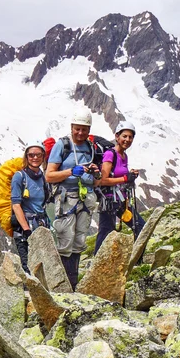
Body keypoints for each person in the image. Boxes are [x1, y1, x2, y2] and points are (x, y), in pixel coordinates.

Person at [45, 109, 101, 287]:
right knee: (65, 238)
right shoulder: (63, 145)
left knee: (79, 239)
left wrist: (96, 174)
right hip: (66, 198)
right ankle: (61, 283)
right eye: (77, 129)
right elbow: (49, 176)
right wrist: (71, 171)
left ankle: (73, 282)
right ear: (72, 127)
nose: (80, 133)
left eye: (84, 129)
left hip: (86, 197)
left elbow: (97, 182)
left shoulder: (91, 147)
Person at [93, 121, 144, 254]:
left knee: (140, 226)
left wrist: (130, 175)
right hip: (109, 201)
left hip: (121, 201)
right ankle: (96, 266)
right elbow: (102, 180)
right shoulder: (110, 154)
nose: (127, 140)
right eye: (124, 136)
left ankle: (136, 260)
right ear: (117, 137)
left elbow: (120, 175)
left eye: (130, 137)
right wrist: (125, 178)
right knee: (105, 233)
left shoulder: (124, 155)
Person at [10, 144, 50, 272]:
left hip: (40, 224)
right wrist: (27, 230)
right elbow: (16, 205)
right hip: (24, 228)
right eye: (31, 155)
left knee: (43, 263)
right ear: (26, 157)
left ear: (43, 156)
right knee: (28, 265)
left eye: (38, 154)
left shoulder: (42, 178)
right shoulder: (19, 177)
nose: (35, 158)